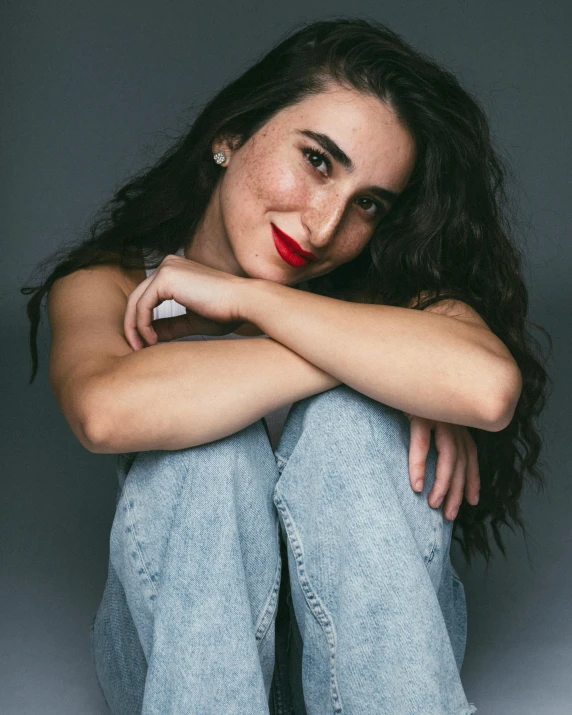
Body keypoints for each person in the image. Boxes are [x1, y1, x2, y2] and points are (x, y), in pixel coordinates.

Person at [21, 16, 552, 715]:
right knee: (210, 451)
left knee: (348, 427)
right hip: (182, 662)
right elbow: (105, 410)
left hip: (379, 660)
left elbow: (485, 388)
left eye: (367, 204)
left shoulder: (382, 283)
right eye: (318, 161)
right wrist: (374, 364)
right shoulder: (109, 285)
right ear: (230, 135)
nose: (325, 225)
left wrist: (248, 299)